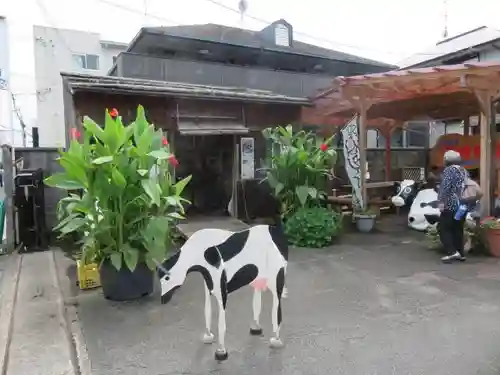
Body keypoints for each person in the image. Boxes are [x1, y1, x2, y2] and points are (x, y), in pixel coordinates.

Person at [438, 150, 468, 263]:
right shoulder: (463, 170)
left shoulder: (450, 170)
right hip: (463, 205)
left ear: (446, 160)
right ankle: (460, 253)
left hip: (451, 205)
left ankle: (452, 252)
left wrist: (441, 201)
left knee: (443, 228)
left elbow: (445, 187)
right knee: (458, 229)